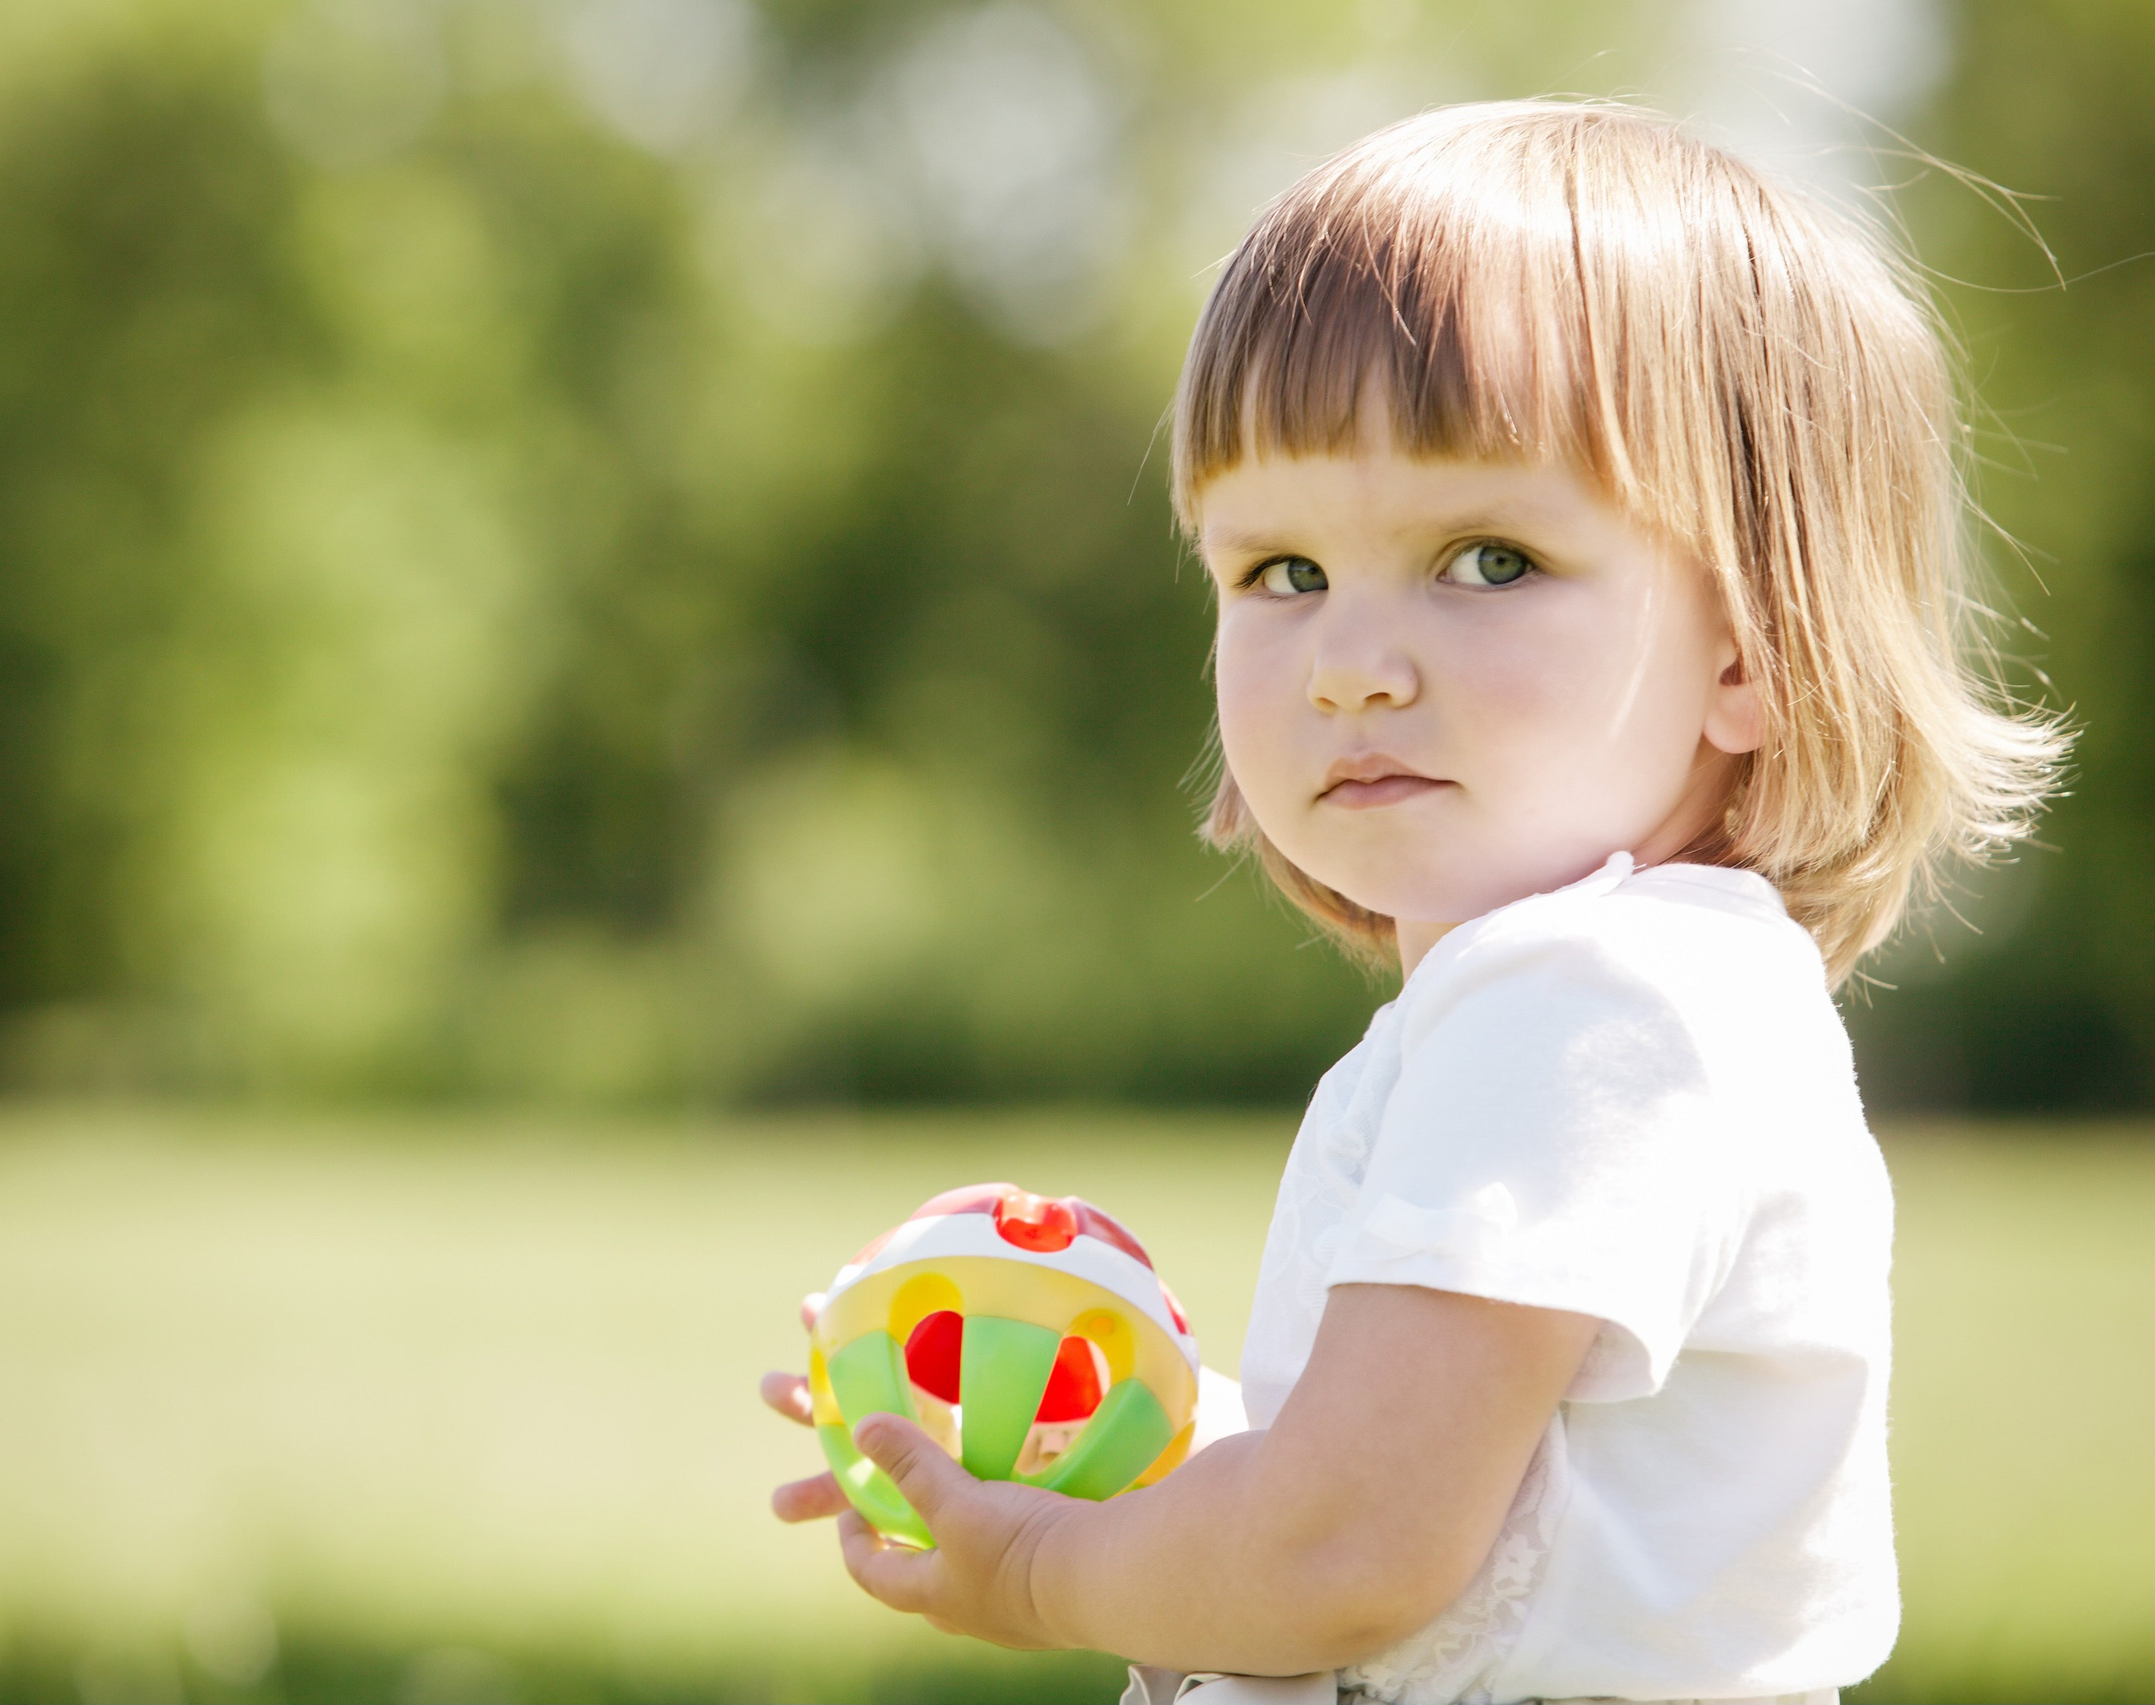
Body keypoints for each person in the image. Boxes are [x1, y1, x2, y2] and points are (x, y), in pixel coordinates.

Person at [759, 99, 2065, 1705]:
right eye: (1282, 573)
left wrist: (1037, 1565)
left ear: (1754, 645)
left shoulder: (1590, 1008)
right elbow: (1467, 1507)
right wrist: (1092, 1423)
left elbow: (1349, 1551)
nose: (1355, 667)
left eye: (1488, 557)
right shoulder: (1595, 1000)